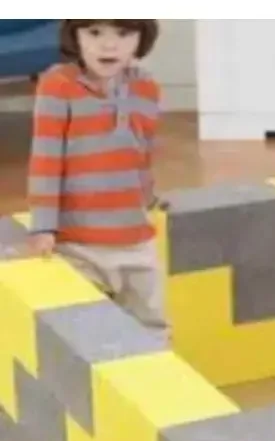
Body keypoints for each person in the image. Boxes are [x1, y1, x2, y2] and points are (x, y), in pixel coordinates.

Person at [25, 19, 169, 342]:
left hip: (136, 242)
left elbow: (141, 155)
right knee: (84, 337)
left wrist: (149, 198)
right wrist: (43, 227)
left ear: (141, 37)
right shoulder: (57, 85)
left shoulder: (147, 88)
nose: (109, 45)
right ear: (75, 35)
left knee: (152, 327)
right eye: (94, 32)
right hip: (78, 245)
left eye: (123, 33)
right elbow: (46, 160)